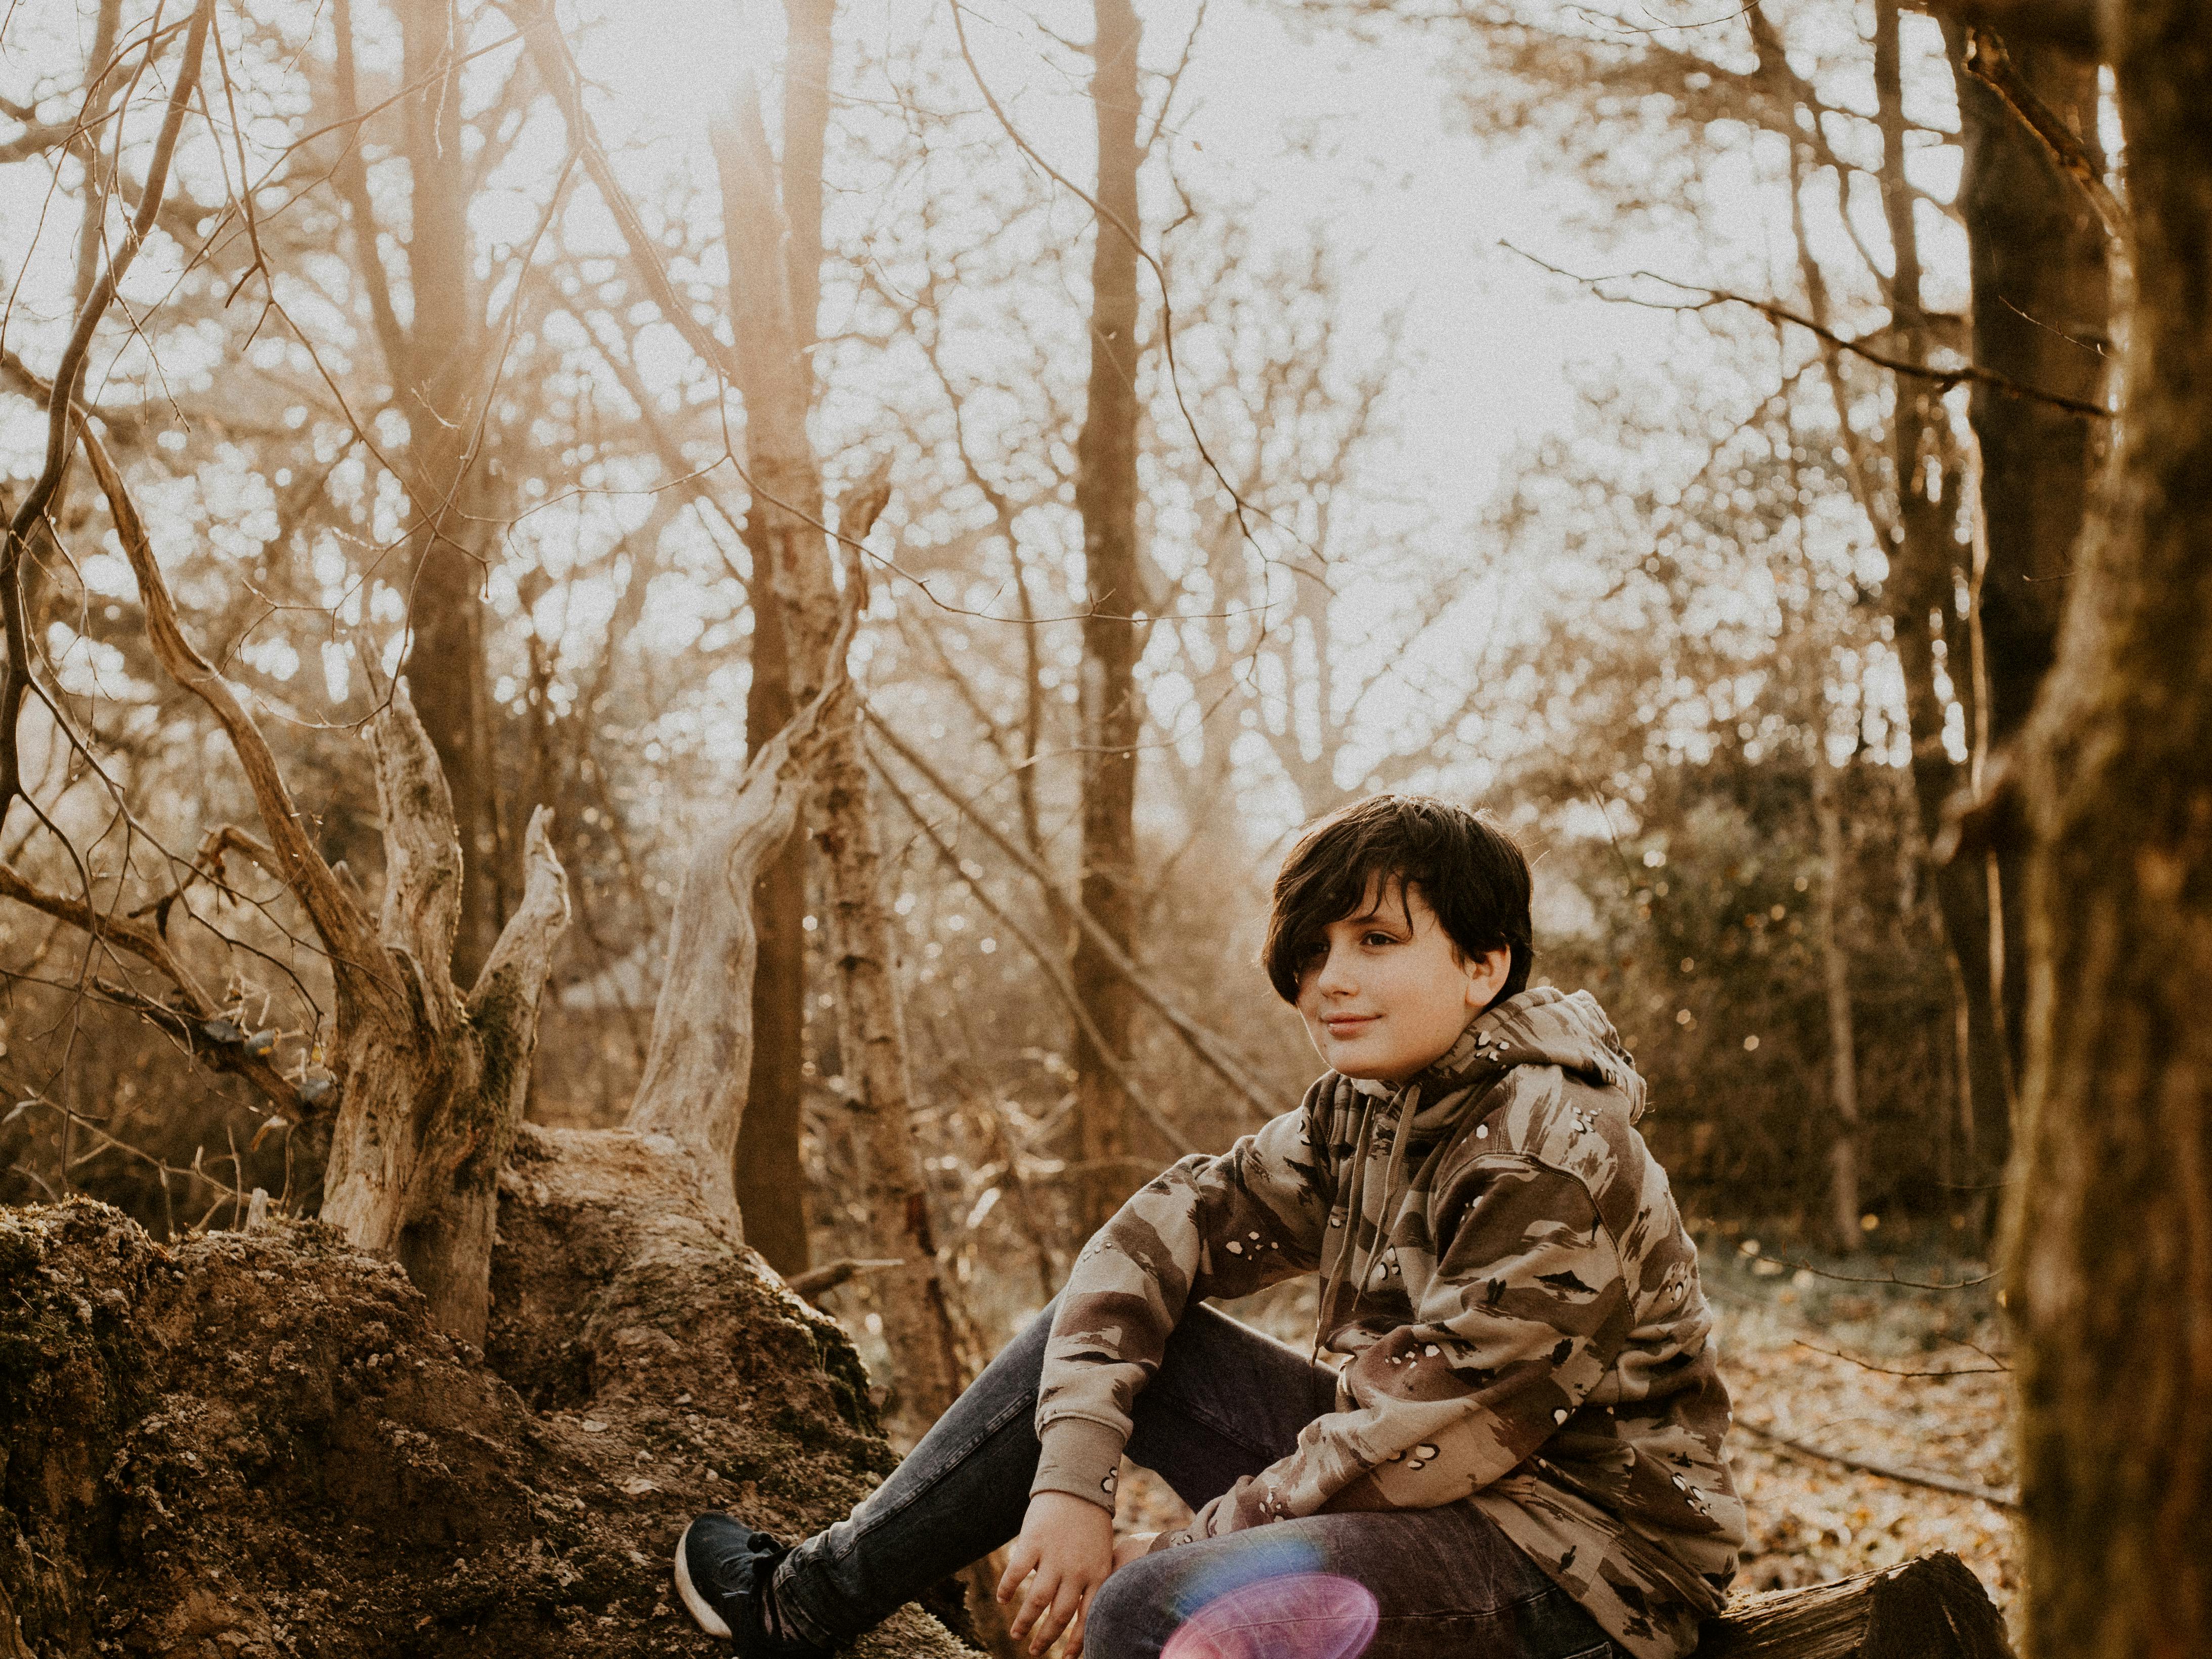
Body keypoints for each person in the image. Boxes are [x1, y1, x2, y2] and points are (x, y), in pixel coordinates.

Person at [676, 794, 1743, 1659]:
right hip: (1433, 1491)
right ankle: (801, 1604)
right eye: (1315, 948)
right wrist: (1071, 1478)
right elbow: (1154, 1233)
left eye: (1376, 939)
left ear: (1485, 963)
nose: (1332, 978)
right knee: (1093, 1329)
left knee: (1157, 1607)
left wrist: (1191, 1538)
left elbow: (1429, 1438)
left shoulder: (1549, 1142)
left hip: (1583, 1566)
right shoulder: (1367, 1108)